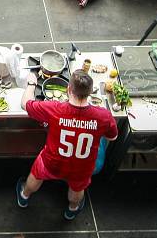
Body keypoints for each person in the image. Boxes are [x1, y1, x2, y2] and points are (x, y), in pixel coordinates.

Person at [18, 69, 118, 218]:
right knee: (77, 188)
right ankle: (72, 209)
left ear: (68, 89)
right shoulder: (103, 115)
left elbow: (25, 104)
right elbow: (112, 137)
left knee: (37, 173)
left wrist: (32, 83)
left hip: (53, 162)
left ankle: (24, 196)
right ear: (90, 92)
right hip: (82, 167)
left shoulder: (54, 108)